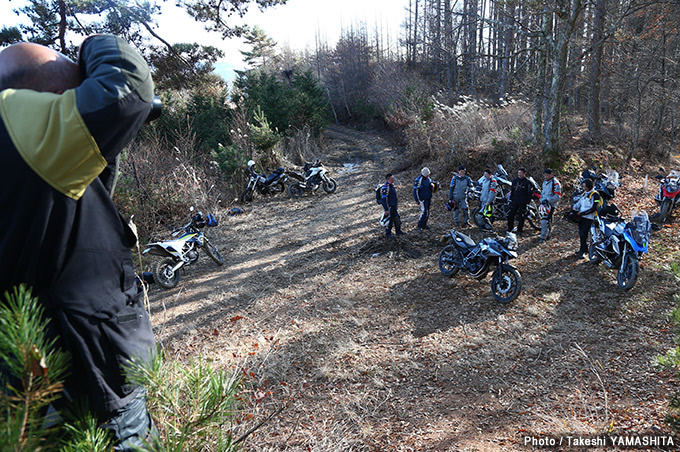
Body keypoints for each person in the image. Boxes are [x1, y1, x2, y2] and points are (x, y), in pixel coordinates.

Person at [0, 35, 157, 450]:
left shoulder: (27, 159)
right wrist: (91, 48)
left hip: (27, 389)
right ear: (48, 98)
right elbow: (128, 87)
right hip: (91, 387)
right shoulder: (13, 117)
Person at [572, 178, 602, 259]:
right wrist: (574, 209)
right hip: (581, 217)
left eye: (585, 186)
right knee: (582, 234)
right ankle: (583, 249)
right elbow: (579, 203)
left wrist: (582, 213)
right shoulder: (584, 194)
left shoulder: (595, 195)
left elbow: (593, 208)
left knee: (583, 234)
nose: (584, 188)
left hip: (589, 218)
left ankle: (583, 251)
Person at [507, 167, 533, 235]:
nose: (520, 174)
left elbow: (529, 193)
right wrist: (511, 199)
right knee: (510, 215)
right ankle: (510, 228)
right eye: (518, 173)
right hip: (515, 200)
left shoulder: (528, 182)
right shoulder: (515, 180)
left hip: (523, 201)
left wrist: (527, 202)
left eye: (521, 173)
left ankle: (520, 230)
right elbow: (512, 190)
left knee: (521, 216)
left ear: (525, 173)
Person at [539, 168, 562, 243]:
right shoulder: (545, 182)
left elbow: (557, 196)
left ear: (551, 175)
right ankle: (548, 234)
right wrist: (542, 200)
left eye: (547, 175)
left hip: (551, 205)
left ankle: (543, 237)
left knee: (545, 220)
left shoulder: (555, 183)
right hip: (544, 204)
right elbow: (543, 193)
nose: (545, 176)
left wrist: (548, 200)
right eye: (544, 175)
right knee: (547, 220)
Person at [380, 173, 406, 238]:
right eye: (392, 178)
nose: (393, 179)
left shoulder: (392, 185)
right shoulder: (386, 187)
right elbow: (384, 199)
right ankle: (388, 234)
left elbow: (395, 196)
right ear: (388, 179)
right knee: (389, 221)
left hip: (394, 206)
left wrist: (396, 204)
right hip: (389, 207)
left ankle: (398, 231)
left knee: (397, 219)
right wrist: (386, 209)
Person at [413, 167, 435, 231]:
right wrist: (417, 199)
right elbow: (415, 190)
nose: (428, 175)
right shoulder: (419, 180)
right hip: (422, 198)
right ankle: (419, 225)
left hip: (428, 197)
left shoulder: (428, 179)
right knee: (424, 212)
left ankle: (424, 224)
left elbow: (431, 185)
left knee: (427, 211)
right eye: (427, 174)